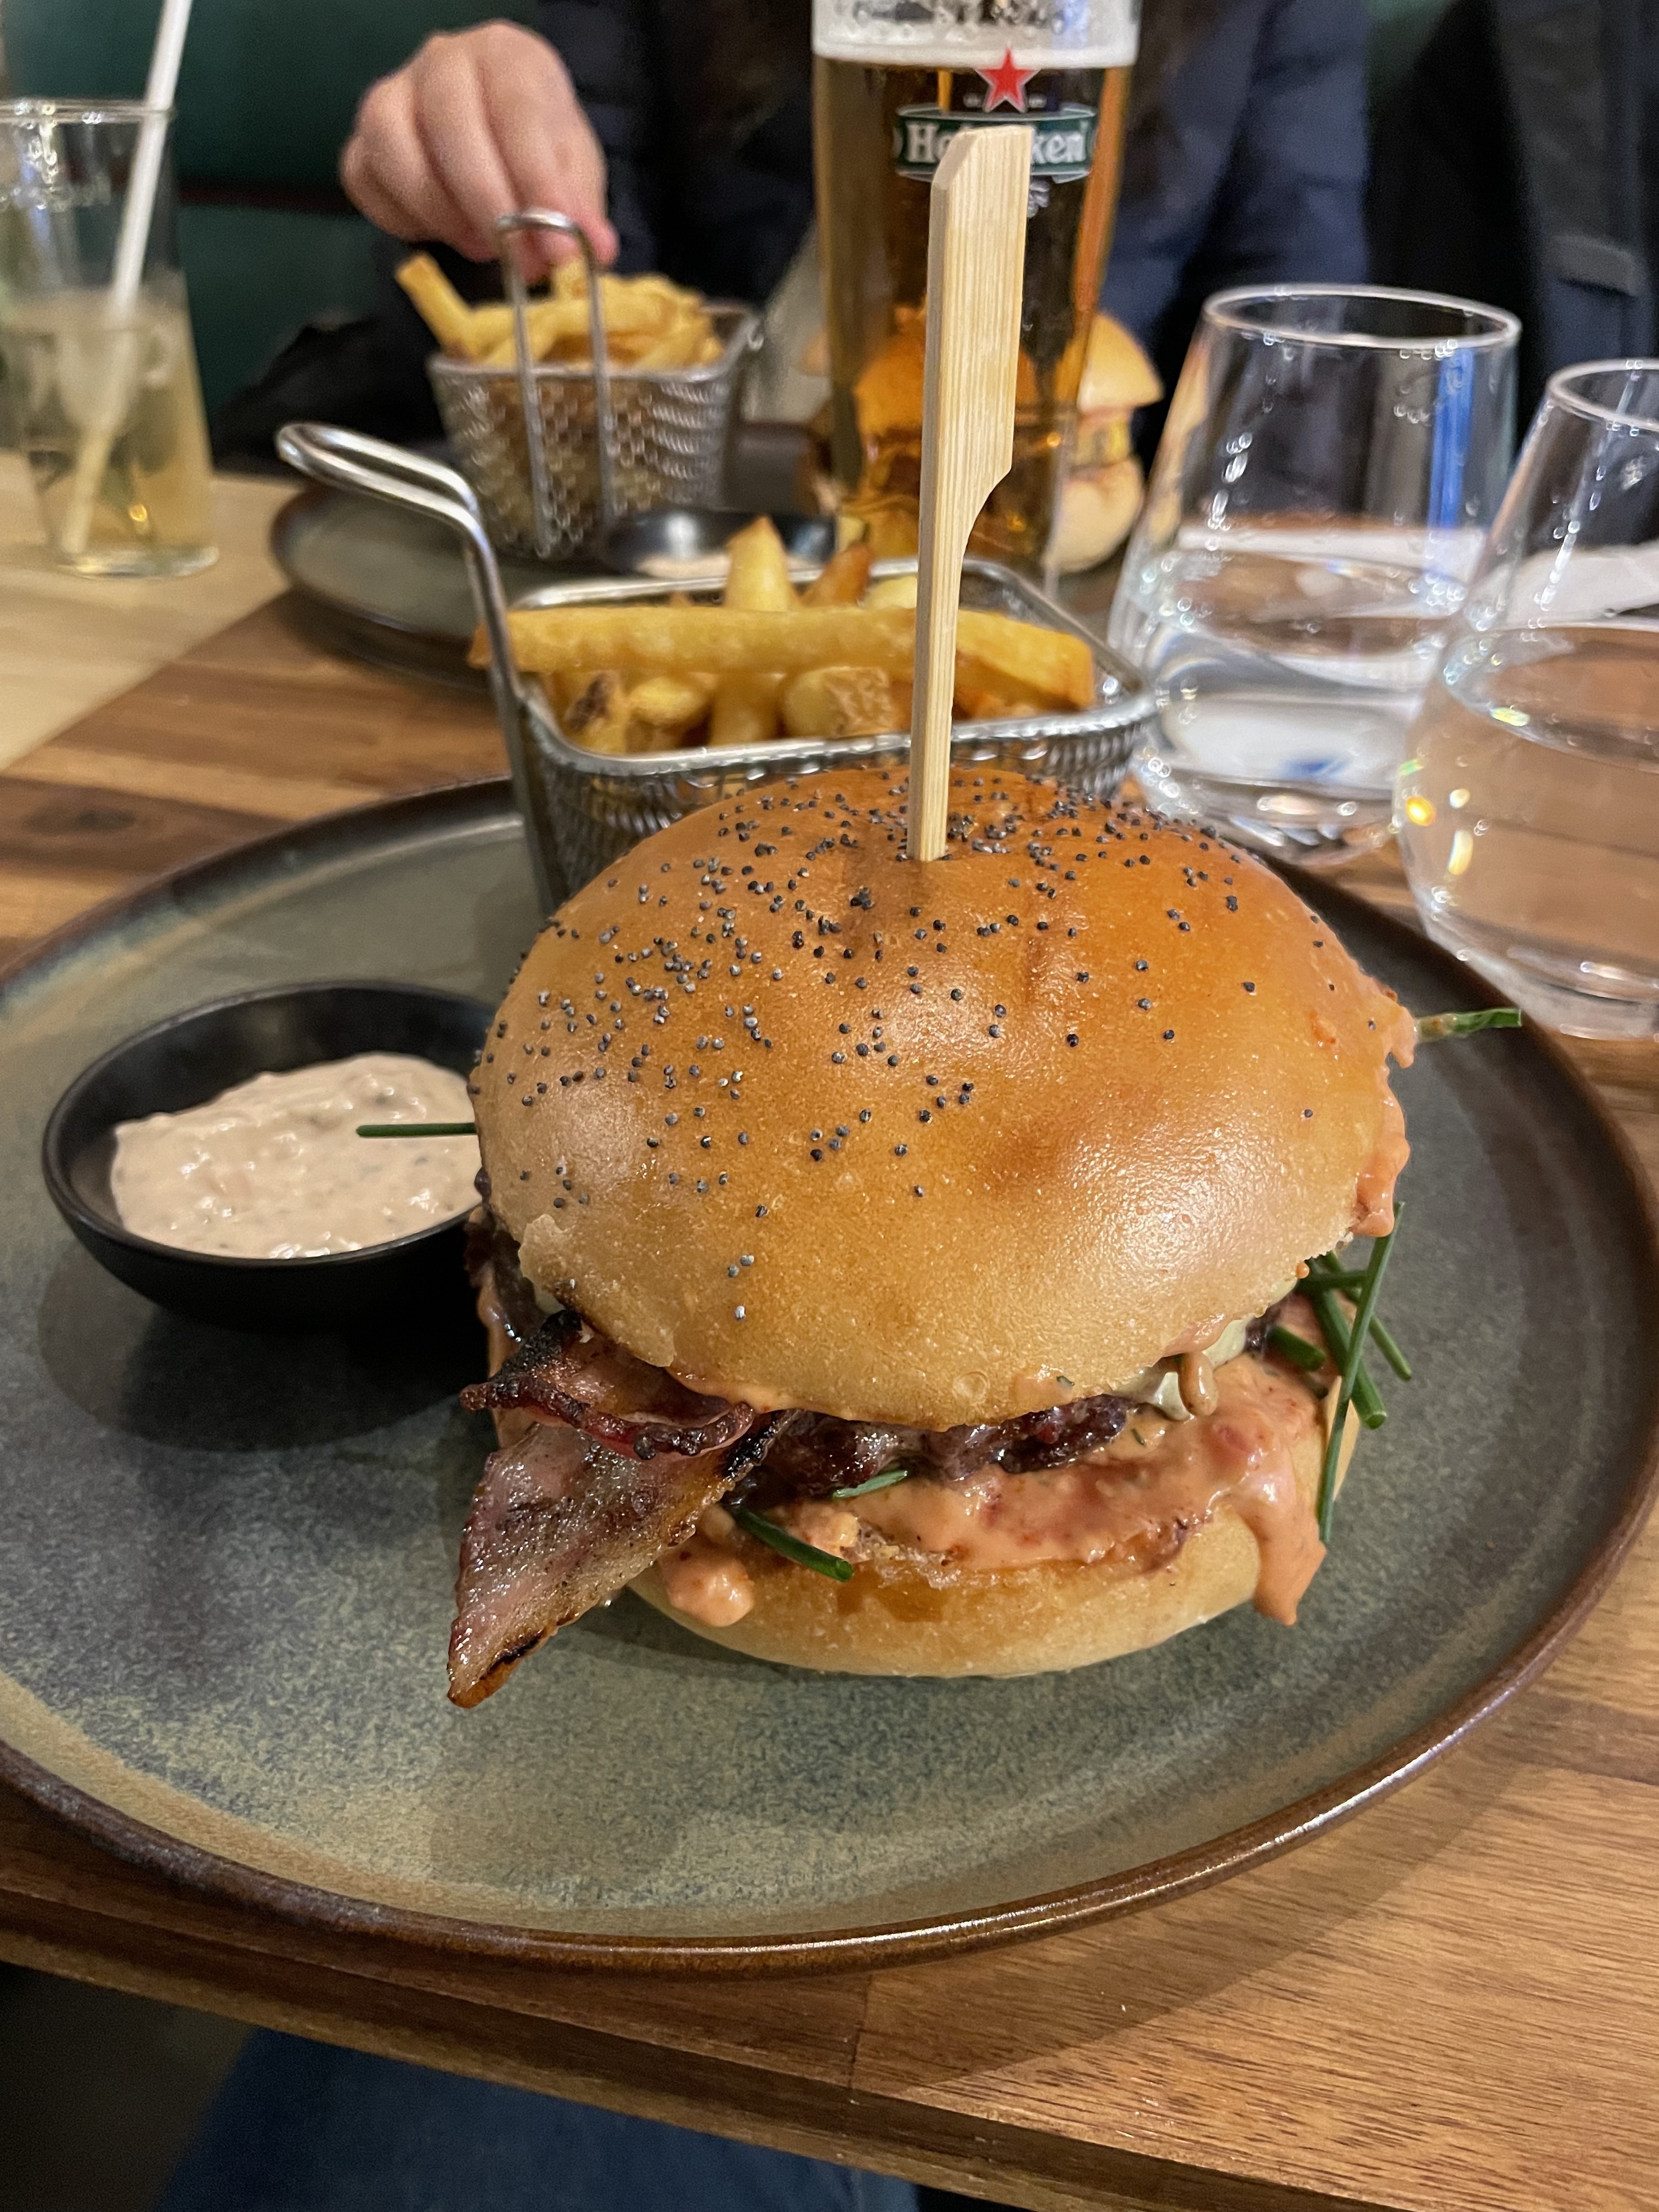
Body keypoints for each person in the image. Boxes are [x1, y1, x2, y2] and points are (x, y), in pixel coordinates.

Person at [213, 0, 1370, 457]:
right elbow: (562, 312)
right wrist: (466, 155)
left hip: (1070, 593)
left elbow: (1303, 361)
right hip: (698, 551)